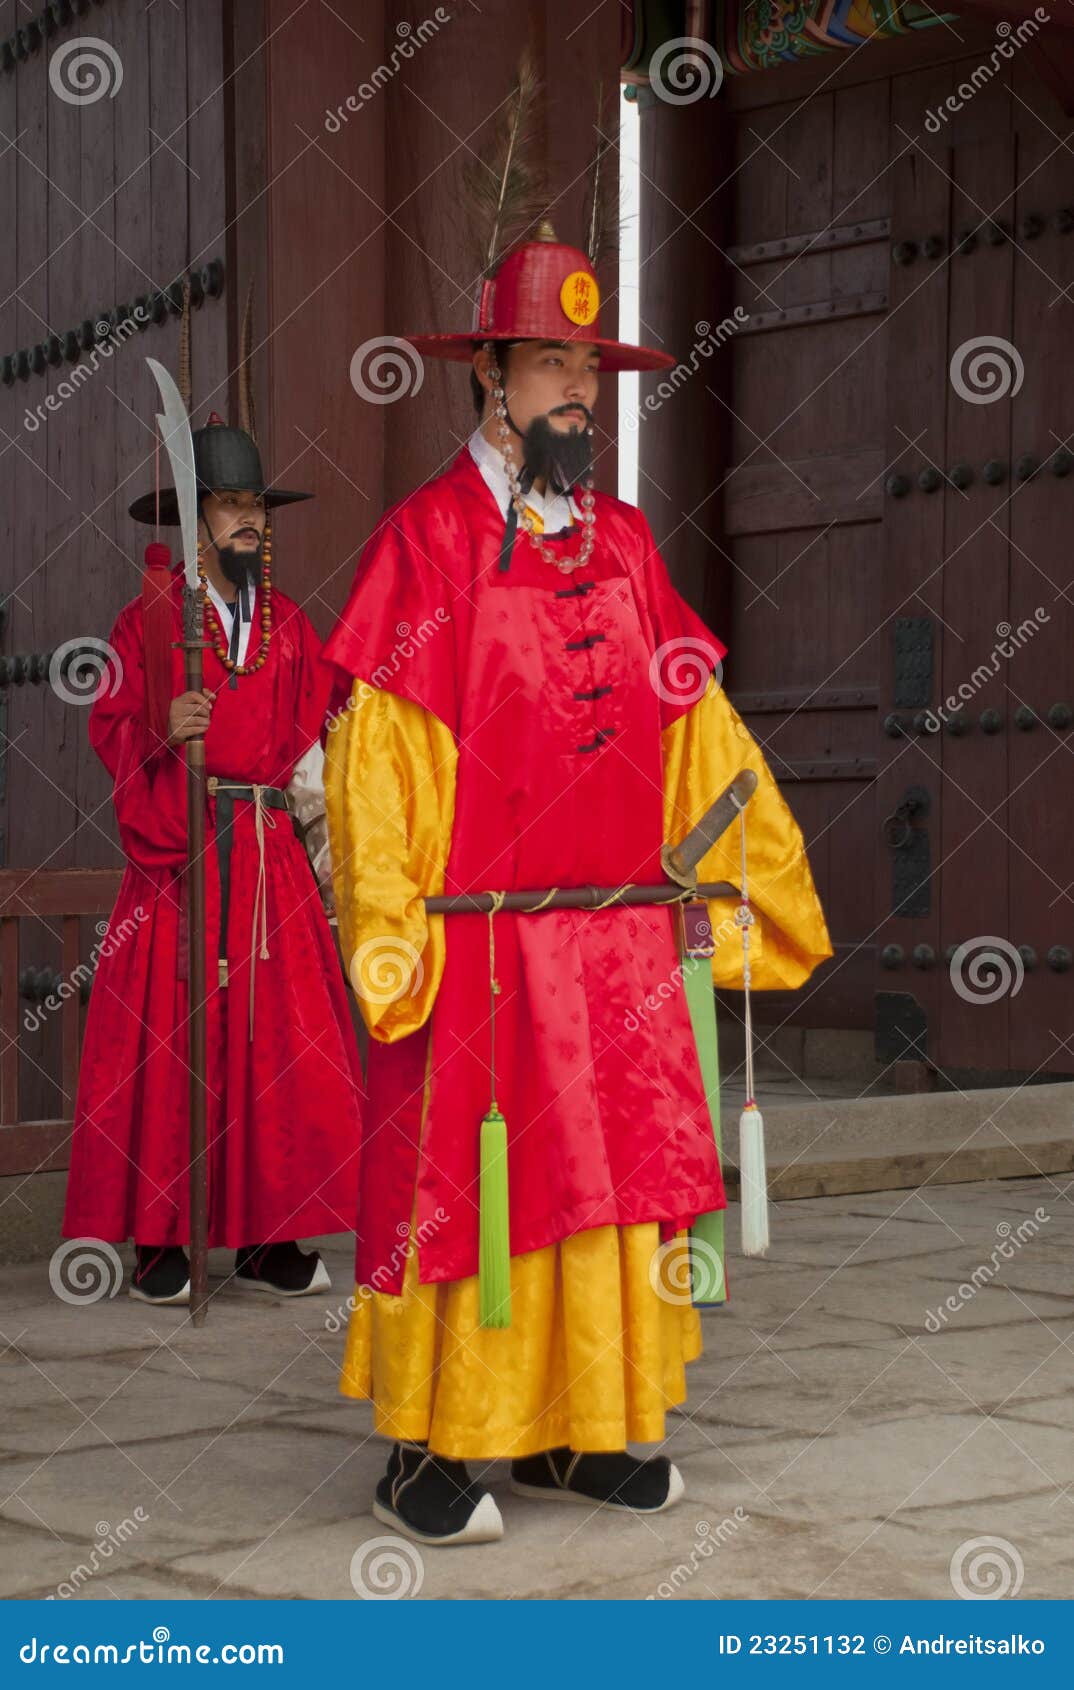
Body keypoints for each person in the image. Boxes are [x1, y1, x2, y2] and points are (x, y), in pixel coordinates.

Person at [322, 84, 831, 1546]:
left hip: (611, 942)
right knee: (473, 1193)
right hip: (479, 944)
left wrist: (744, 875)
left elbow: (693, 724)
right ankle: (430, 1445)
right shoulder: (421, 543)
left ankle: (583, 1430)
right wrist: (390, 923)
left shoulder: (618, 539)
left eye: (586, 371)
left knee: (616, 1195)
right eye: (546, 363)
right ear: (484, 374)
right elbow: (381, 761)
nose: (571, 395)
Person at [62, 410, 363, 1306]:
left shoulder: (289, 626)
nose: (248, 524)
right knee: (172, 1040)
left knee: (279, 1041)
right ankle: (163, 1237)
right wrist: (163, 729)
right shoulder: (147, 622)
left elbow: (329, 726)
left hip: (267, 856)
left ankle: (270, 1236)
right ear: (193, 520)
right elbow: (110, 724)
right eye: (229, 506)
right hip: (182, 859)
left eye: (256, 510)